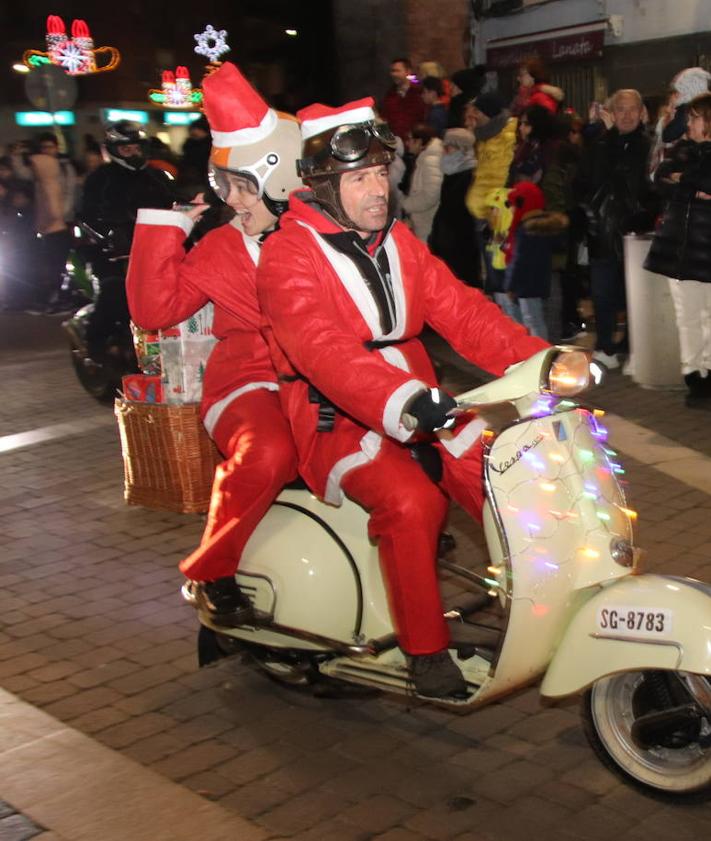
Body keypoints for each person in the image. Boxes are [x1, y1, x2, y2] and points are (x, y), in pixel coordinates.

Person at [256, 96, 548, 700]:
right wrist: (404, 399)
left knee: (505, 473)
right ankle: (423, 651)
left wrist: (536, 360)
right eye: (358, 178)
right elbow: (321, 348)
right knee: (412, 502)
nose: (377, 190)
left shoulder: (398, 241)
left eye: (379, 174)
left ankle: (544, 600)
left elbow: (460, 308)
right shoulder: (289, 253)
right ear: (324, 187)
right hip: (333, 415)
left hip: (421, 402)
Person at [127, 62, 302, 623]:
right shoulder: (220, 248)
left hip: (322, 378)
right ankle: (213, 570)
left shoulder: (319, 238)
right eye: (228, 187)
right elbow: (154, 310)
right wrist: (167, 225)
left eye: (244, 189)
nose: (234, 201)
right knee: (269, 451)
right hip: (245, 381)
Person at [576, 89, 657, 370]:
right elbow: (583, 184)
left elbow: (650, 189)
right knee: (602, 293)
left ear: (642, 112)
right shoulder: (599, 146)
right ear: (611, 112)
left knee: (635, 294)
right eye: (620, 109)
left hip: (637, 233)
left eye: (632, 109)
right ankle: (605, 347)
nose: (626, 115)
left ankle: (634, 348)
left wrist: (644, 217)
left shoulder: (650, 146)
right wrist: (589, 216)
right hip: (602, 231)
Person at [80, 121, 175, 357]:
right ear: (113, 150)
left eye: (136, 148)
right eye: (126, 149)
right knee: (114, 291)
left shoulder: (159, 176)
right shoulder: (99, 179)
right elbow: (86, 216)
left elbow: (179, 203)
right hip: (115, 254)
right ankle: (96, 346)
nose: (133, 153)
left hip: (160, 250)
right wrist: (109, 236)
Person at [644, 93, 711, 407]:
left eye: (696, 117)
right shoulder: (683, 149)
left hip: (706, 243)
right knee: (687, 316)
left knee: (710, 315)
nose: (690, 123)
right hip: (681, 247)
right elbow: (658, 179)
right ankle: (693, 376)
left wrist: (686, 181)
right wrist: (692, 185)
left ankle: (708, 371)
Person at [501, 181, 568, 340]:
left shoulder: (524, 230)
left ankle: (539, 358)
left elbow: (518, 260)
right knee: (542, 321)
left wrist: (510, 285)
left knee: (533, 322)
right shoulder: (547, 227)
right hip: (544, 281)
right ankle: (544, 355)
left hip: (526, 284)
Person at [465, 92, 518, 289]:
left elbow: (509, 173)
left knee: (500, 274)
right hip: (482, 214)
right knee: (491, 272)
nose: (473, 115)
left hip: (498, 217)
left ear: (487, 113)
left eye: (477, 111)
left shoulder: (507, 135)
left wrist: (498, 209)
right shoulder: (484, 136)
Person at [28, 132, 78, 314]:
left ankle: (62, 298)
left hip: (61, 224)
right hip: (50, 226)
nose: (47, 151)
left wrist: (62, 217)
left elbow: (66, 197)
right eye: (44, 148)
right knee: (52, 264)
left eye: (50, 147)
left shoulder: (60, 172)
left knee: (60, 264)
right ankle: (56, 297)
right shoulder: (44, 176)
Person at [428, 127, 479, 286]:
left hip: (462, 247)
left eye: (448, 148)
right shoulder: (451, 173)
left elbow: (460, 213)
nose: (444, 153)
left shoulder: (470, 176)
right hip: (446, 244)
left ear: (461, 150)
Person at [402, 123, 443, 242]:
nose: (407, 143)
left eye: (410, 140)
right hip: (421, 221)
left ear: (420, 142)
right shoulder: (424, 158)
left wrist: (406, 205)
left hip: (427, 222)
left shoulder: (431, 161)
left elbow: (431, 196)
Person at [381, 57, 425, 141]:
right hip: (395, 142)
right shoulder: (389, 95)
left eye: (397, 71)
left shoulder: (419, 94)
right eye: (392, 71)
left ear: (408, 71)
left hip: (415, 142)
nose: (394, 74)